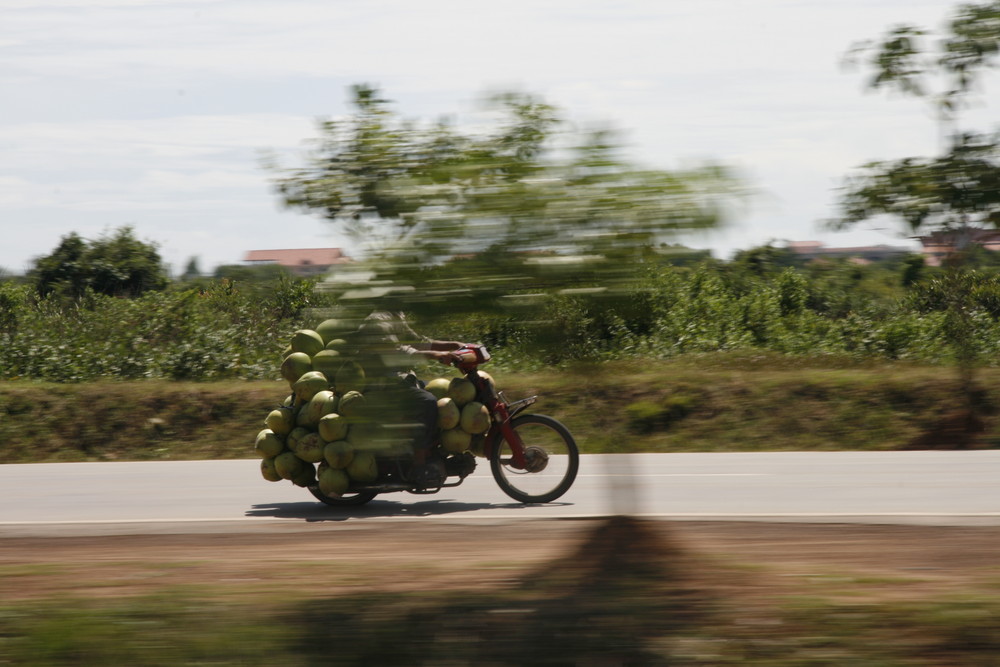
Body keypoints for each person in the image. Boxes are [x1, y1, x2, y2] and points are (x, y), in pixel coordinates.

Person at [354, 310, 469, 488]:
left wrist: (456, 345)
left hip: (398, 379)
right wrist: (436, 355)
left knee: (441, 394)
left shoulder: (395, 315)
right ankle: (419, 464)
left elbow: (419, 342)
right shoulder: (377, 321)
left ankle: (434, 450)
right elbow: (397, 351)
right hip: (381, 384)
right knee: (428, 402)